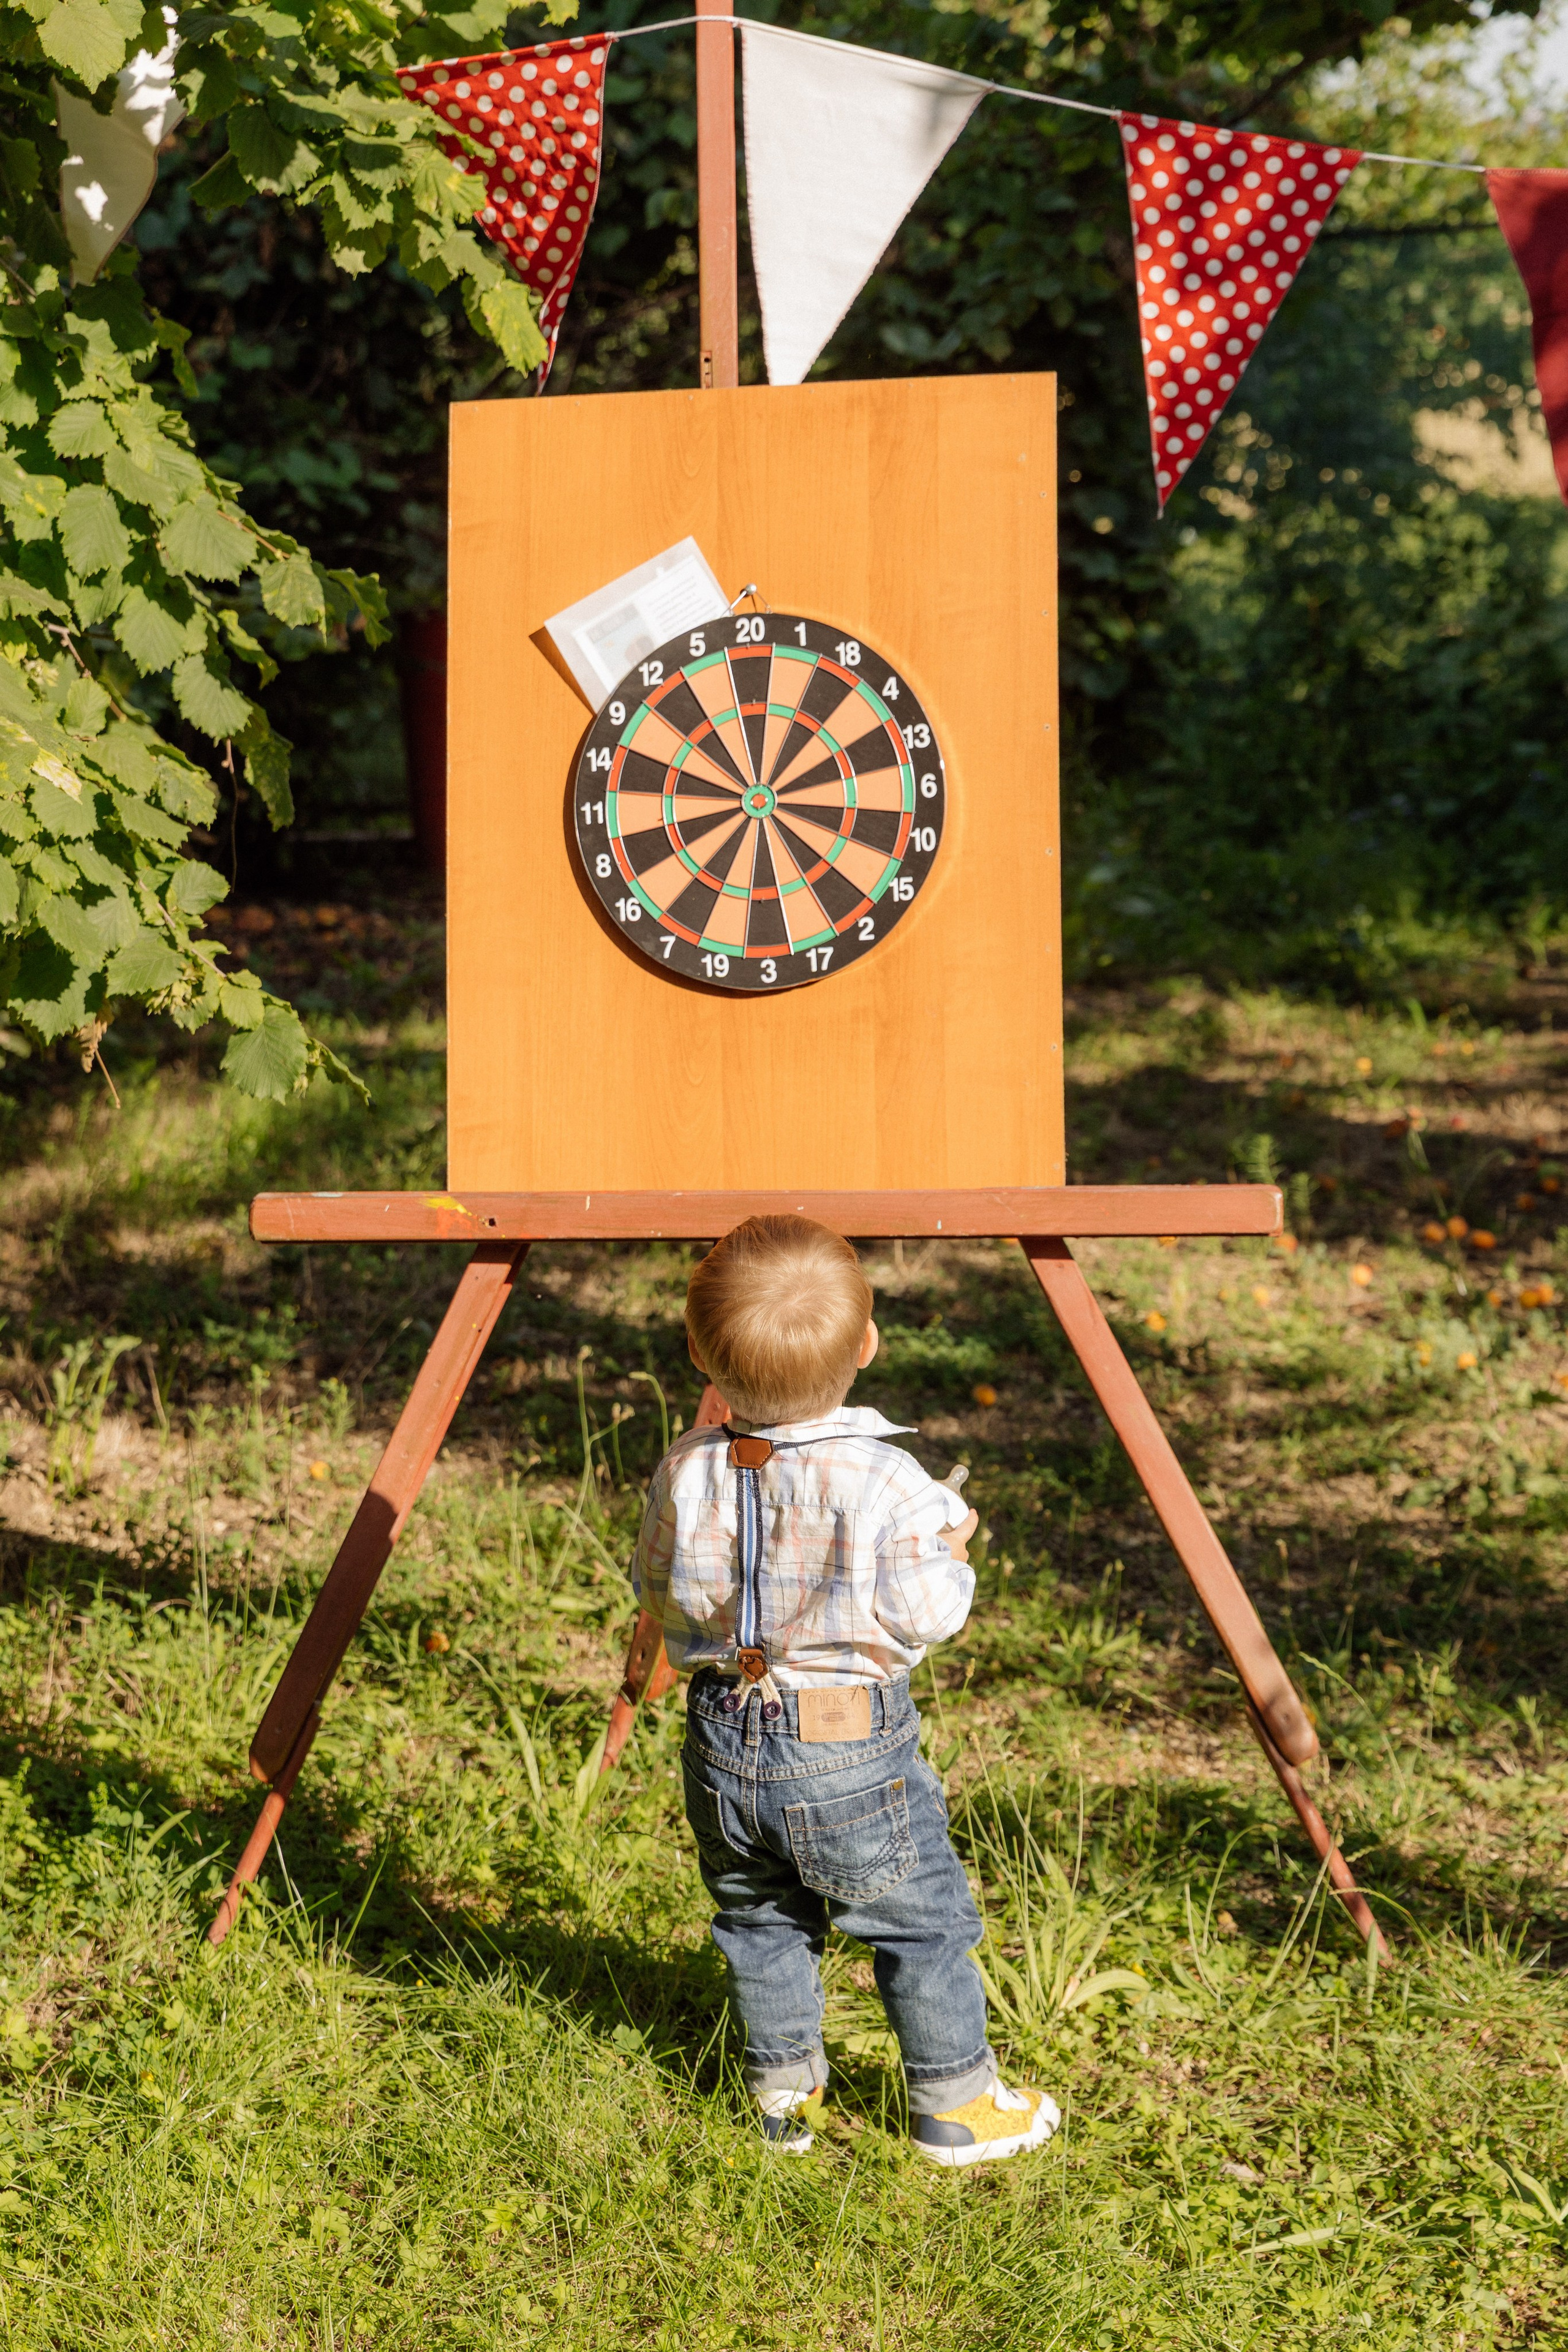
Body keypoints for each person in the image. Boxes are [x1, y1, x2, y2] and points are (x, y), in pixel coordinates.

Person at [630, 1212, 1060, 2165]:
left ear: (698, 1349)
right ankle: (955, 2105)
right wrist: (951, 1555)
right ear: (867, 1345)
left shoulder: (684, 1468)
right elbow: (924, 1617)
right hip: (843, 1743)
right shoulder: (890, 1481)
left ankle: (786, 2102)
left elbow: (662, 1593)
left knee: (760, 1917)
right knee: (920, 1922)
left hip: (722, 1736)